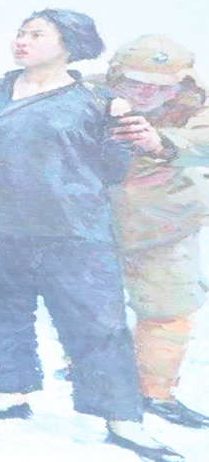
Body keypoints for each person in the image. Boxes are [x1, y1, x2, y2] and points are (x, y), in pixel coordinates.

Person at [0, 9, 182, 461]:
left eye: (37, 34)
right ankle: (7, 393)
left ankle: (121, 418)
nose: (22, 41)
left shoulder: (100, 102)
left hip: (74, 229)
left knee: (97, 323)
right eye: (20, 33)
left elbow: (113, 168)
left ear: (69, 44)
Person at [103, 34, 209, 428]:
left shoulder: (198, 105)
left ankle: (156, 392)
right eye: (136, 82)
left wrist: (162, 142)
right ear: (116, 77)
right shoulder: (86, 96)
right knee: (93, 307)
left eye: (163, 86)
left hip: (167, 226)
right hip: (92, 224)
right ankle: (85, 372)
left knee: (168, 310)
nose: (148, 92)